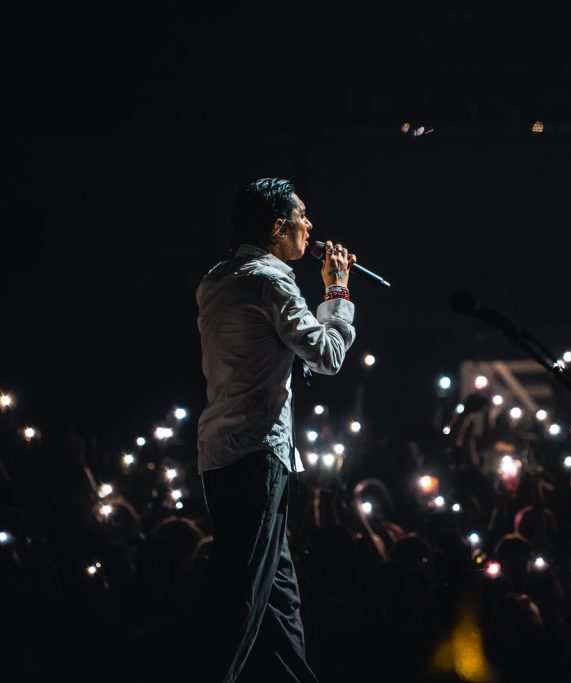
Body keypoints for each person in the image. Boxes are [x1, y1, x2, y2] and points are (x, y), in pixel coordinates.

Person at [192, 178, 357, 682]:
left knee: (278, 601)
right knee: (241, 597)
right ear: (275, 226)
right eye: (301, 216)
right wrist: (337, 289)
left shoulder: (217, 278)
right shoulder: (271, 280)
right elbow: (327, 355)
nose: (310, 226)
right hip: (257, 453)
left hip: (221, 453)